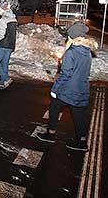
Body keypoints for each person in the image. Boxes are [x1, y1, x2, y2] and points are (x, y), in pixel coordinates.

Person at [36, 21, 98, 151]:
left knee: (54, 108)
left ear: (72, 36)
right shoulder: (86, 50)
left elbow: (65, 74)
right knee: (79, 115)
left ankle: (50, 134)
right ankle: (82, 141)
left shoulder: (71, 52)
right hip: (81, 87)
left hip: (68, 89)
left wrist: (55, 89)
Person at [0, 1, 17, 89]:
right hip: (10, 45)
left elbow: (1, 33)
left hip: (2, 44)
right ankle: (3, 82)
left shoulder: (3, 19)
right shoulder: (13, 19)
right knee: (4, 64)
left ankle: (6, 78)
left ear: (3, 9)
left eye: (0, 8)